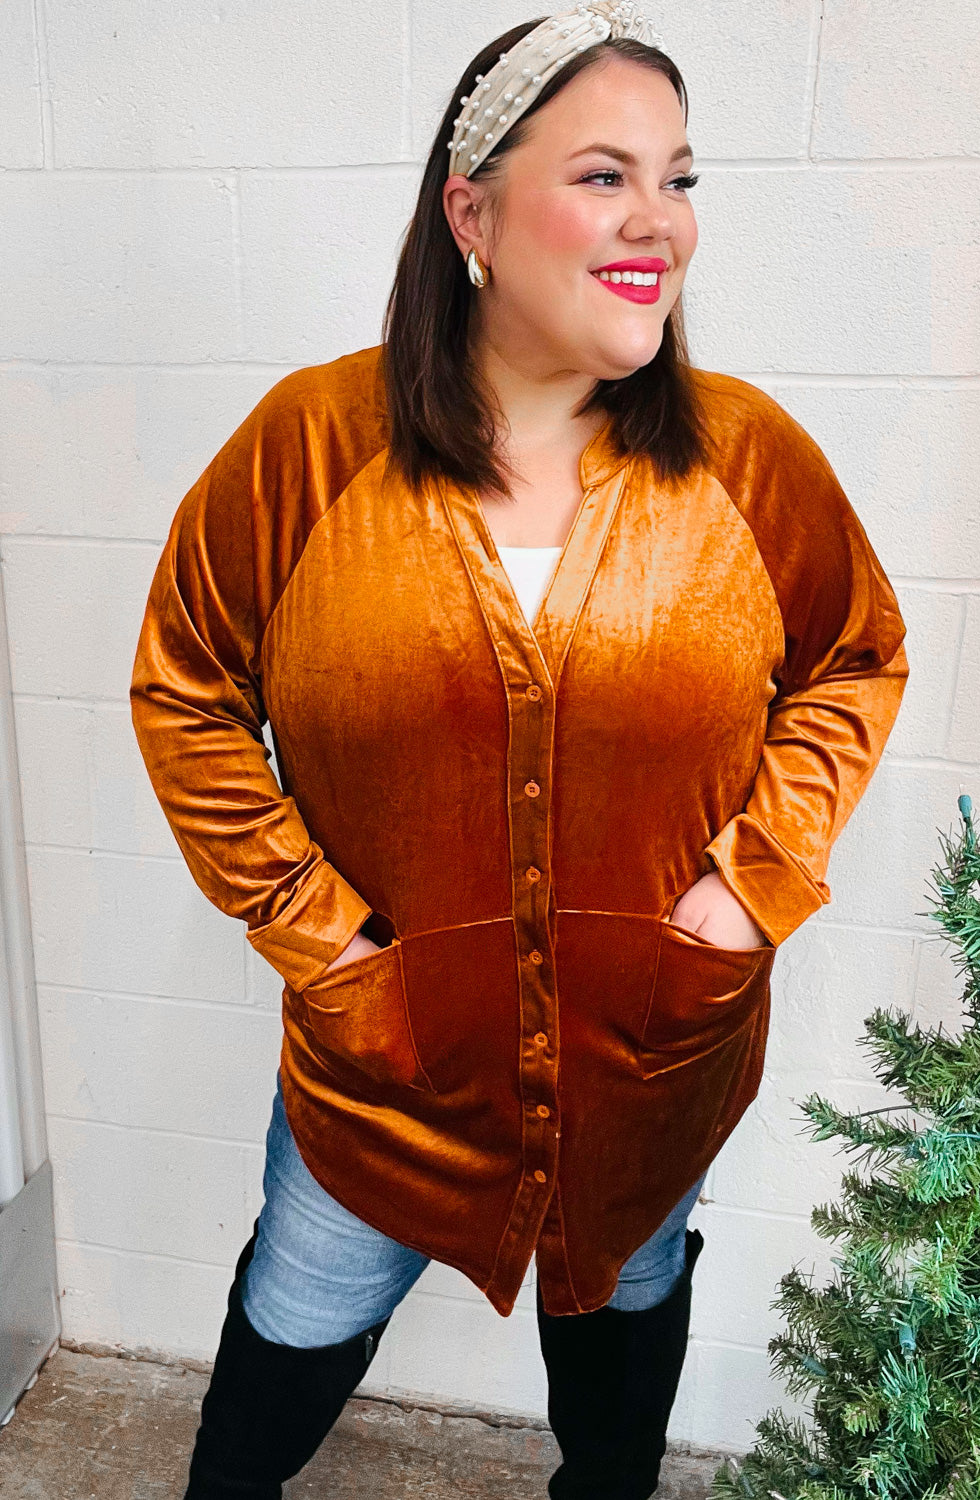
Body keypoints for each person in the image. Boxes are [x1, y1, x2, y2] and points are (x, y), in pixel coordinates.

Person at [129, 3, 910, 1497]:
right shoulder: (307, 448)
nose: (660, 220)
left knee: (623, 1341)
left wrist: (751, 886)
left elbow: (852, 662)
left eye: (680, 178)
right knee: (279, 1360)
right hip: (385, 1077)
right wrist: (324, 940)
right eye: (605, 175)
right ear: (471, 214)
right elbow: (187, 690)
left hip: (649, 1064)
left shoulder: (745, 459)